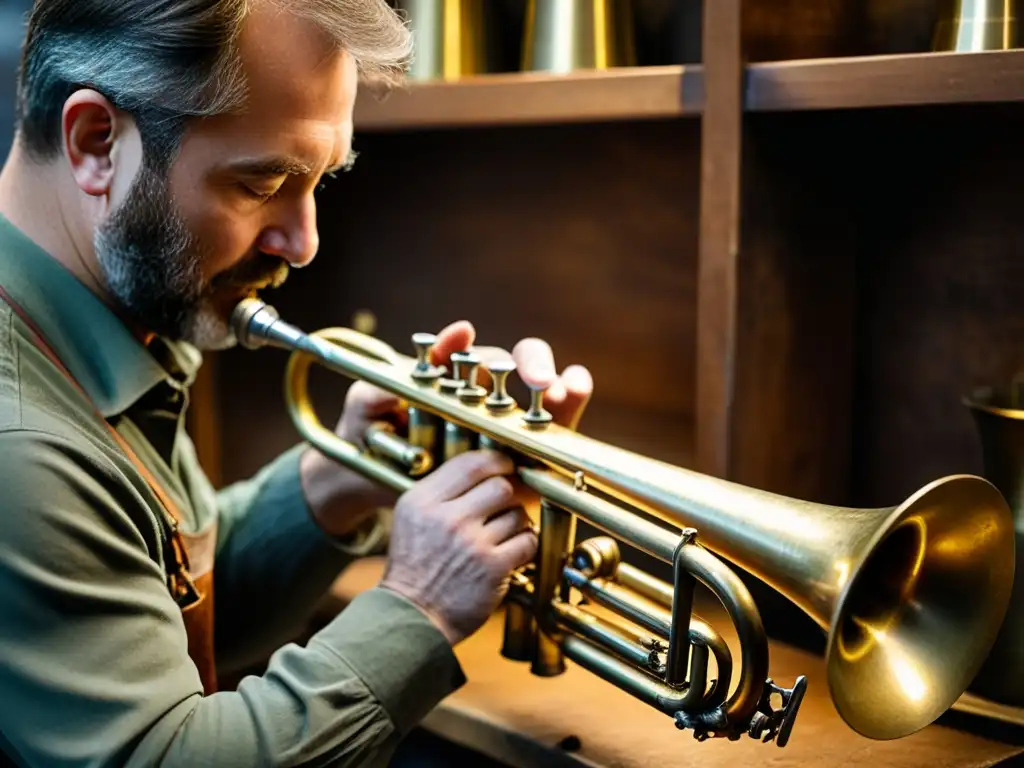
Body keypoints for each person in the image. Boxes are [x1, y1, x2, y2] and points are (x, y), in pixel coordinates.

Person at [0, 1, 595, 766]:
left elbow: (148, 605)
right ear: (95, 143)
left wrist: (344, 474)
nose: (304, 243)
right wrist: (418, 605)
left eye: (318, 180)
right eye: (263, 182)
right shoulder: (22, 441)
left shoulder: (100, 327)